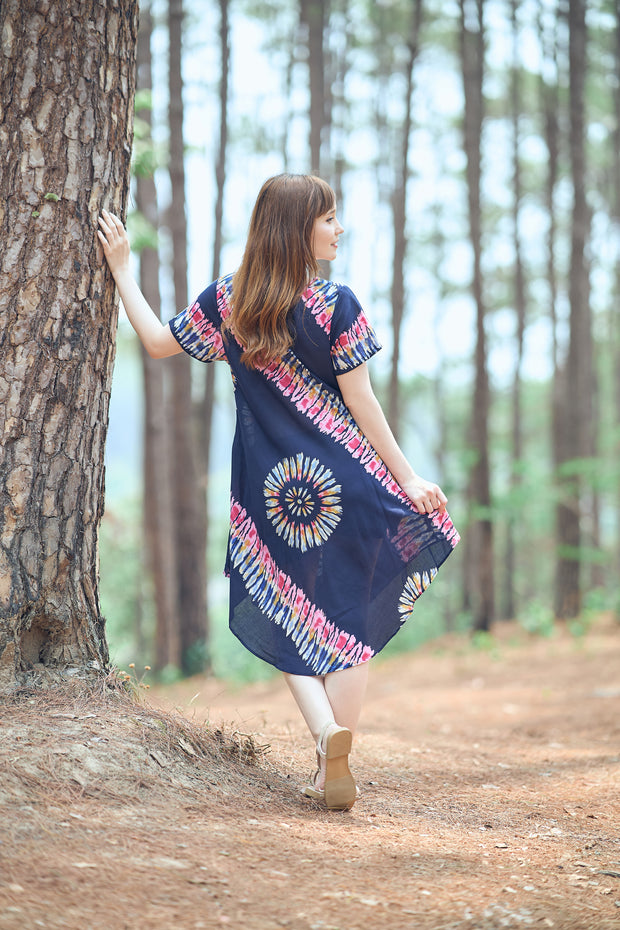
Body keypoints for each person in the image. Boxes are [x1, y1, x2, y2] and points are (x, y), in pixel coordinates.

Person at [98, 173, 459, 811]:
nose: (339, 228)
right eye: (329, 219)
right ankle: (329, 768)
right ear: (298, 228)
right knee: (347, 619)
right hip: (346, 481)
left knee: (273, 604)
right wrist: (408, 478)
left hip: (273, 492)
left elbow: (157, 344)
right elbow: (361, 400)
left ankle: (325, 736)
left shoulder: (230, 302)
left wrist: (123, 270)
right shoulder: (337, 303)